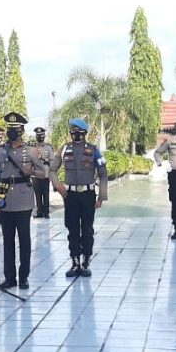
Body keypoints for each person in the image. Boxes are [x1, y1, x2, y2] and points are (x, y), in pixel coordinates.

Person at [50, 118, 108, 277]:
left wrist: (101, 197)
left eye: (79, 132)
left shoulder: (94, 150)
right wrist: (58, 185)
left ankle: (86, 261)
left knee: (87, 230)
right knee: (72, 229)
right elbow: (52, 169)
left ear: (84, 133)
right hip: (70, 195)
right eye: (73, 131)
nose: (75, 134)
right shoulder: (64, 149)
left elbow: (103, 174)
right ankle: (75, 262)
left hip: (88, 195)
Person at [0, 112, 45, 289]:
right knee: (7, 241)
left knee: (24, 240)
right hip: (6, 201)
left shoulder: (30, 151)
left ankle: (23, 277)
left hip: (24, 201)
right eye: (10, 129)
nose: (11, 133)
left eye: (15, 130)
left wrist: (29, 172)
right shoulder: (0, 151)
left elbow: (43, 172)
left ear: (21, 131)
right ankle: (10, 278)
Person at [32, 127, 54, 218]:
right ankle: (39, 212)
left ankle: (46, 212)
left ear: (44, 136)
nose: (40, 137)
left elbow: (52, 161)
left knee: (45, 193)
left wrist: (43, 159)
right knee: (37, 194)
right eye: (38, 136)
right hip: (35, 174)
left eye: (41, 135)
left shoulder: (48, 148)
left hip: (45, 174)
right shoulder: (32, 147)